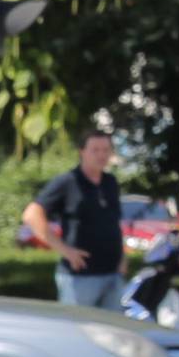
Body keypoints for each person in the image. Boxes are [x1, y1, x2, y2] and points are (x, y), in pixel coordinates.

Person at [26, 130, 125, 306]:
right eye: (95, 150)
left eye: (106, 150)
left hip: (112, 274)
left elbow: (114, 222)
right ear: (82, 152)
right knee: (79, 330)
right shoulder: (68, 182)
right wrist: (64, 250)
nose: (101, 155)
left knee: (113, 331)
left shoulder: (110, 182)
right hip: (80, 277)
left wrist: (122, 256)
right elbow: (32, 214)